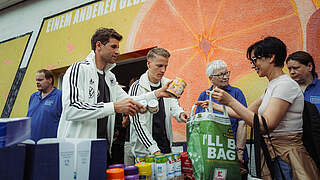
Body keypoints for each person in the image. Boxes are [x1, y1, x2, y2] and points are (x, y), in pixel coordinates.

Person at [198, 37, 319, 179]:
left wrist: (230, 101)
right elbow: (246, 113)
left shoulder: (285, 85)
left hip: (285, 155)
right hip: (273, 154)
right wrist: (216, 106)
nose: (253, 66)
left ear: (271, 58)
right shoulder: (273, 86)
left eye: (255, 60)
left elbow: (265, 125)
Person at [57, 28, 172, 165]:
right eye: (113, 47)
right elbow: (72, 108)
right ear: (98, 45)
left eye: (118, 47)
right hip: (76, 151)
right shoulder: (79, 69)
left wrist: (156, 94)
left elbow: (129, 100)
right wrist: (115, 107)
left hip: (103, 150)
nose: (117, 51)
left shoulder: (110, 77)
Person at [129, 47, 188, 159]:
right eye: (159, 66)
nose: (163, 70)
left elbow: (174, 106)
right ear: (149, 64)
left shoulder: (168, 83)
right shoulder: (137, 87)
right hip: (146, 152)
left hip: (165, 147)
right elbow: (137, 123)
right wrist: (154, 149)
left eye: (165, 66)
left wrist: (181, 114)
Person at [195, 60, 248, 177]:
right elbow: (199, 126)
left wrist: (239, 152)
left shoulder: (236, 93)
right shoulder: (204, 95)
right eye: (221, 75)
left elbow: (242, 122)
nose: (226, 77)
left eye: (226, 73)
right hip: (212, 154)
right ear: (210, 78)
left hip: (233, 150)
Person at [27, 69, 62, 142]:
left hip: (49, 144)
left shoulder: (60, 96)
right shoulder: (33, 96)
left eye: (40, 80)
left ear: (50, 80)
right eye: (36, 80)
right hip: (31, 142)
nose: (37, 82)